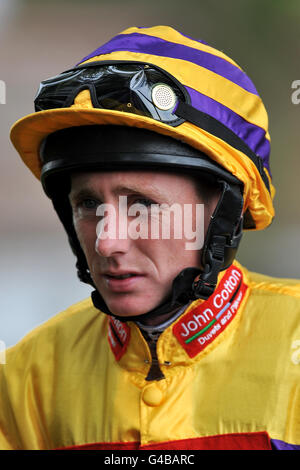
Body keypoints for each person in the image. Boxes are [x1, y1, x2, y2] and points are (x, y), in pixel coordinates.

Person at [1, 25, 300, 451]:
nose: (107, 243)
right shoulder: (25, 375)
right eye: (88, 204)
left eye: (141, 206)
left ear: (221, 211)